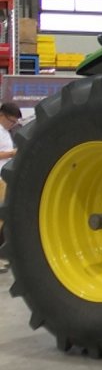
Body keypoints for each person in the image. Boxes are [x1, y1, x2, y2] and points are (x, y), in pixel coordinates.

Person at [0, 101, 22, 273]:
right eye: (11, 121)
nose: (12, 124)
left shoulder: (6, 132)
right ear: (2, 115)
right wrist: (12, 153)